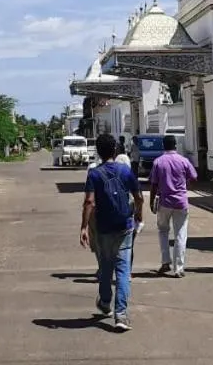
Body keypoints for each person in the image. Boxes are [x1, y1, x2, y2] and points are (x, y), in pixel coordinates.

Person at [80, 132, 143, 331]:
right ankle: (121, 315)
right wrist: (138, 214)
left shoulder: (94, 174)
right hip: (124, 226)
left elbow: (89, 201)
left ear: (98, 152)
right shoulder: (125, 171)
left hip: (103, 227)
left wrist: (83, 226)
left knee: (106, 266)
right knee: (123, 270)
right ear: (115, 149)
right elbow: (139, 196)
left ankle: (105, 302)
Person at [148, 133, 197, 277]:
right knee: (180, 234)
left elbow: (154, 184)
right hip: (181, 202)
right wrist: (185, 185)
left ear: (163, 146)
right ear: (175, 145)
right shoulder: (183, 161)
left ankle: (165, 262)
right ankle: (179, 268)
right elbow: (194, 177)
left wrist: (151, 201)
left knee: (163, 231)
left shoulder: (158, 162)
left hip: (164, 202)